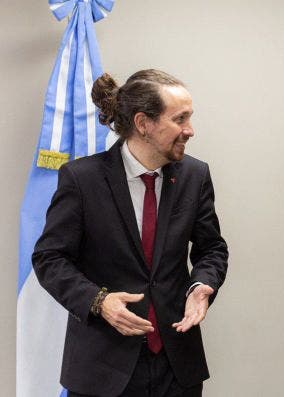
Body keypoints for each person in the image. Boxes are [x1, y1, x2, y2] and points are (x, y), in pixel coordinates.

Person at [32, 69, 229, 397]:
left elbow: (212, 248)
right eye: (179, 119)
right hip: (101, 369)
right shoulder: (82, 179)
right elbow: (50, 258)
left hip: (177, 367)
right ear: (143, 123)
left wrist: (202, 285)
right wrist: (99, 301)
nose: (190, 130)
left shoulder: (196, 175)